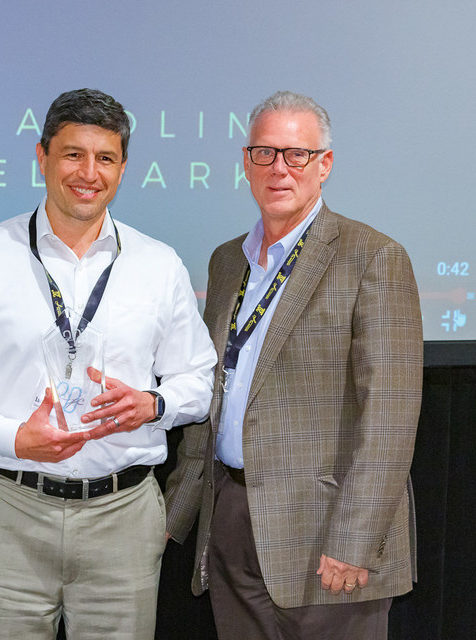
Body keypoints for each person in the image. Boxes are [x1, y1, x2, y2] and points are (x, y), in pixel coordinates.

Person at [0, 88, 217, 640]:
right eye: (72, 154)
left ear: (124, 168)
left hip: (122, 516)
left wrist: (153, 404)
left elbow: (198, 380)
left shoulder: (159, 265)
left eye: (105, 158)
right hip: (9, 508)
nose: (89, 172)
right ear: (42, 158)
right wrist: (13, 437)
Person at [165, 90, 424, 640]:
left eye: (296, 154)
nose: (279, 168)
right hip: (231, 519)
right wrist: (180, 514)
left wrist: (356, 543)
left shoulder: (374, 257)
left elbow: (390, 421)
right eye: (265, 153)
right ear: (246, 162)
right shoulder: (226, 259)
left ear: (324, 164)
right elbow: (218, 390)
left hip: (325, 535)